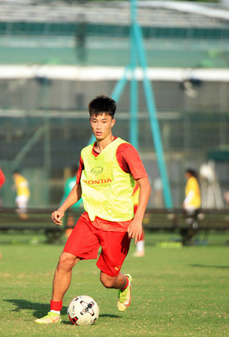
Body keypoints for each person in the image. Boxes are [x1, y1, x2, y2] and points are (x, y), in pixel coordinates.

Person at [35, 95, 151, 324]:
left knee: (107, 280)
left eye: (104, 121)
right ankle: (54, 313)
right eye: (94, 121)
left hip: (118, 224)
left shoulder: (124, 150)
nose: (99, 126)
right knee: (64, 260)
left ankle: (124, 283)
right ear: (90, 121)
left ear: (112, 122)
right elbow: (79, 186)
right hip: (91, 220)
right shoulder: (85, 153)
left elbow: (145, 184)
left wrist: (137, 220)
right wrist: (63, 208)